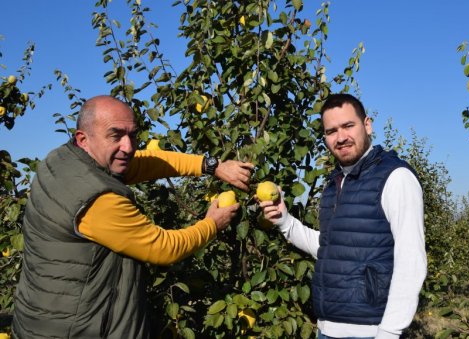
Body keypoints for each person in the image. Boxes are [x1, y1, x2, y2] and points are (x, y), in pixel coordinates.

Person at [11, 95, 254, 338]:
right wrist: (212, 224)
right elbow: (164, 248)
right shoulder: (97, 199)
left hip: (40, 320)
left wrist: (212, 165)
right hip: (80, 330)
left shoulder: (63, 160)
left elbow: (146, 162)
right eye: (115, 135)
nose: (128, 147)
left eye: (133, 135)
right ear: (83, 139)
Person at [259, 93, 427, 338]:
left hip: (371, 331)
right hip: (326, 329)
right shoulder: (335, 182)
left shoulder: (395, 177)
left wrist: (390, 332)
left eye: (348, 126)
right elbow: (329, 247)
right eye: (331, 131)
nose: (341, 138)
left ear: (367, 125)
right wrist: (285, 220)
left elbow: (411, 259)